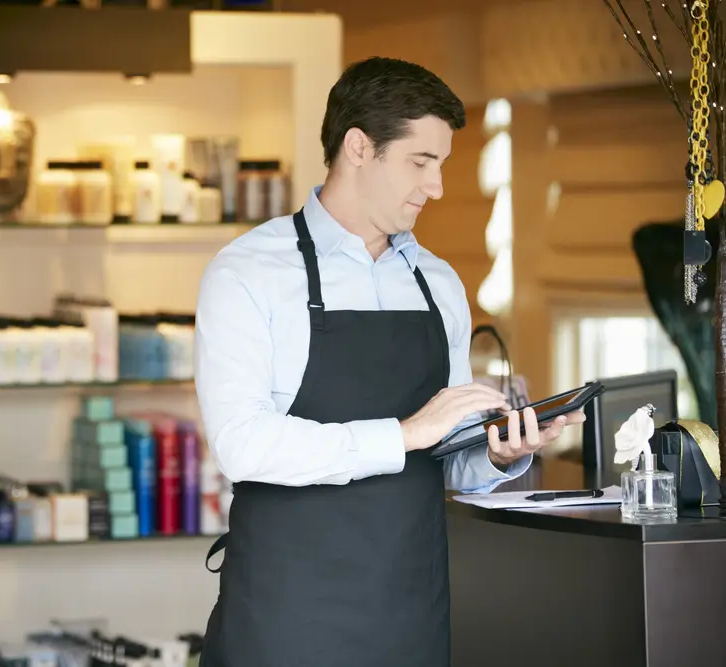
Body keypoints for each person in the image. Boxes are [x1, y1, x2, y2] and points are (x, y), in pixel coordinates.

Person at [192, 57, 586, 667]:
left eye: (441, 165)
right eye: (420, 162)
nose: (437, 186)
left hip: (410, 609)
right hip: (285, 613)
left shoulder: (439, 284)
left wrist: (498, 454)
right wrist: (404, 433)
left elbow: (443, 456)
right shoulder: (249, 272)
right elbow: (241, 445)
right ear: (358, 147)